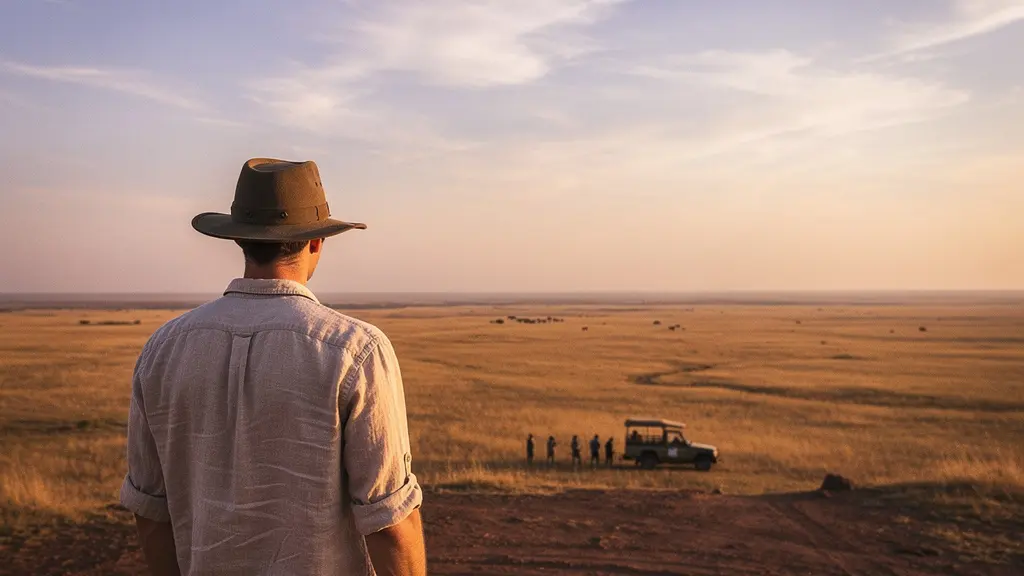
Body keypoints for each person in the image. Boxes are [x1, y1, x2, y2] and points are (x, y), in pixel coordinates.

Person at [119, 158, 426, 576]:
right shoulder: (356, 350)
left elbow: (150, 510)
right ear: (317, 241)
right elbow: (389, 524)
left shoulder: (163, 348)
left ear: (240, 240)